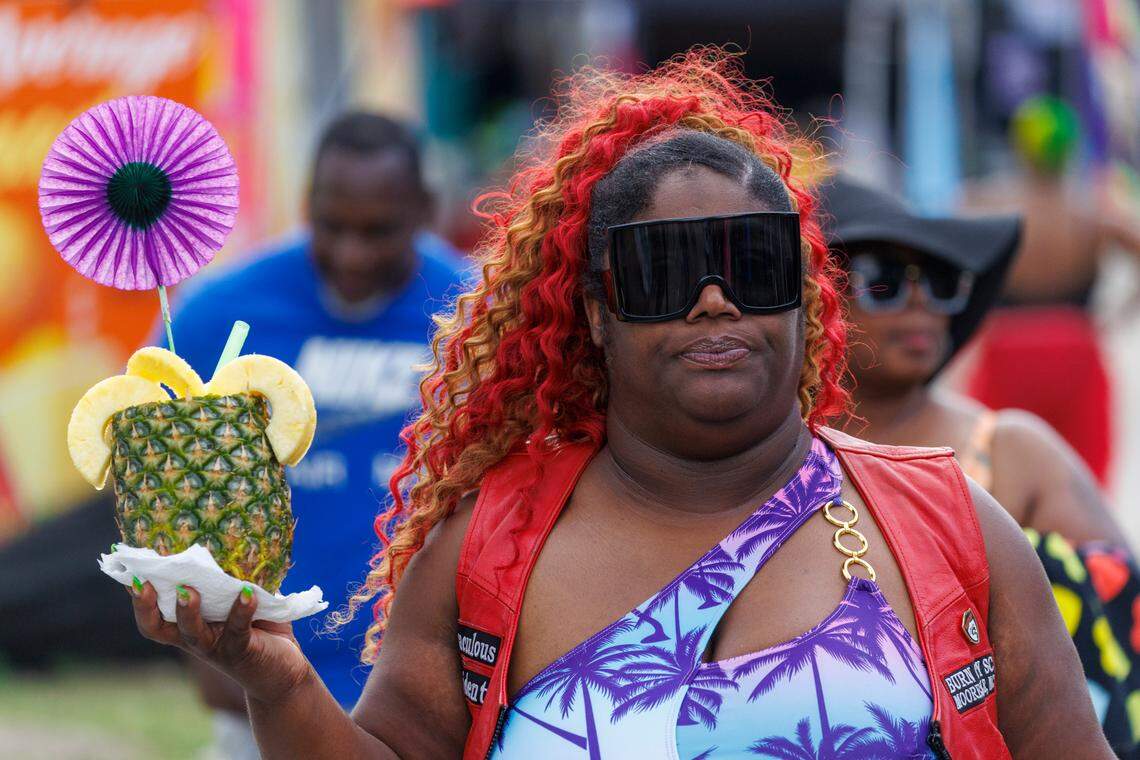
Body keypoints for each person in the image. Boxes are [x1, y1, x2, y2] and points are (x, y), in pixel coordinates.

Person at [128, 52, 1110, 758]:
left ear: (806, 293)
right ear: (594, 310)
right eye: (664, 271)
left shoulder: (951, 528)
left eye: (750, 262)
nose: (714, 298)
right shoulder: (489, 548)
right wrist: (279, 678)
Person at [165, 112, 468, 755]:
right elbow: (158, 470)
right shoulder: (217, 315)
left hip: (425, 692)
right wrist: (203, 640)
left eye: (378, 231)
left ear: (424, 210)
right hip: (256, 684)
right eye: (332, 226)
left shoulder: (477, 315)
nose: (351, 253)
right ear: (308, 204)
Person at [825, 176, 1140, 756]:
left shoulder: (1013, 451)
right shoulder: (775, 460)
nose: (921, 303)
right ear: (820, 297)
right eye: (884, 282)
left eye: (943, 282)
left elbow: (1125, 619)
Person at [962, 95, 1140, 485]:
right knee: (1082, 477)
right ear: (1071, 147)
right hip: (1076, 343)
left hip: (1007, 345)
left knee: (1001, 472)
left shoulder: (987, 203)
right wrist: (1119, 312)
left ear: (1019, 146)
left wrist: (968, 311)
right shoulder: (1093, 209)